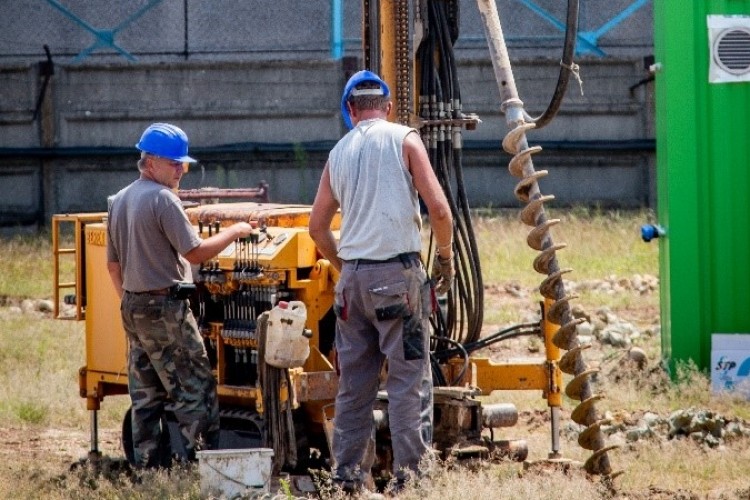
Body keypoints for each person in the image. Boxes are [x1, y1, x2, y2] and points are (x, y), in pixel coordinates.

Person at [309, 70, 455, 492]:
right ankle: (410, 482)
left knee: (353, 388)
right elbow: (440, 211)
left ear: (350, 112)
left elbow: (317, 227)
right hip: (398, 280)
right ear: (388, 107)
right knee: (408, 382)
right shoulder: (405, 139)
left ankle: (347, 480)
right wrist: (444, 258)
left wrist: (345, 268)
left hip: (352, 283)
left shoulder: (338, 152)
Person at [106, 122, 254, 468]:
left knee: (145, 394)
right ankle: (195, 469)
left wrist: (133, 304)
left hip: (132, 304)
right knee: (196, 388)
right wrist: (236, 230)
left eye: (183, 164)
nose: (181, 171)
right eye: (175, 164)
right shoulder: (163, 199)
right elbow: (196, 253)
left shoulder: (119, 200)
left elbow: (113, 267)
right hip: (165, 307)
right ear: (151, 162)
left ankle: (148, 470)